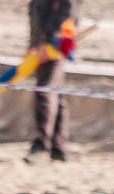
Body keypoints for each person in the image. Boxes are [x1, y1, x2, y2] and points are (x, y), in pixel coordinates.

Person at [26, 0, 78, 162]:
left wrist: (47, 42)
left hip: (53, 46)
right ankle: (58, 147)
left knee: (44, 91)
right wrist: (34, 44)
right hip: (45, 45)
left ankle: (41, 145)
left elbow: (66, 8)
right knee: (56, 93)